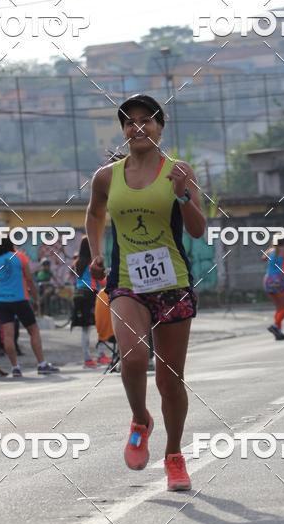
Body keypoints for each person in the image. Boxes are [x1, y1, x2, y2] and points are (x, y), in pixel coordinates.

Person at [86, 93, 207, 492]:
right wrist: (96, 253)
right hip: (126, 283)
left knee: (171, 380)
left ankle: (174, 454)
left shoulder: (179, 171)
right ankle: (140, 419)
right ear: (123, 131)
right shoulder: (107, 176)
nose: (138, 128)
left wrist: (183, 194)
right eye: (130, 122)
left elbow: (197, 229)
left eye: (146, 120)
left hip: (172, 283)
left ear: (160, 127)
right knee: (134, 359)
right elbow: (94, 213)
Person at [0, 238, 60, 377]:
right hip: (20, 299)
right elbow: (29, 279)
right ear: (11, 244)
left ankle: (15, 367)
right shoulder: (19, 257)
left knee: (8, 335)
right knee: (33, 330)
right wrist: (37, 299)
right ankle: (41, 364)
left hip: (2, 302)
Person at [72, 236, 107, 368]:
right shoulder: (94, 263)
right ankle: (101, 355)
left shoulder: (77, 263)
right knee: (100, 325)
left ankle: (87, 359)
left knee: (85, 328)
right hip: (91, 294)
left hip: (78, 295)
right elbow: (102, 281)